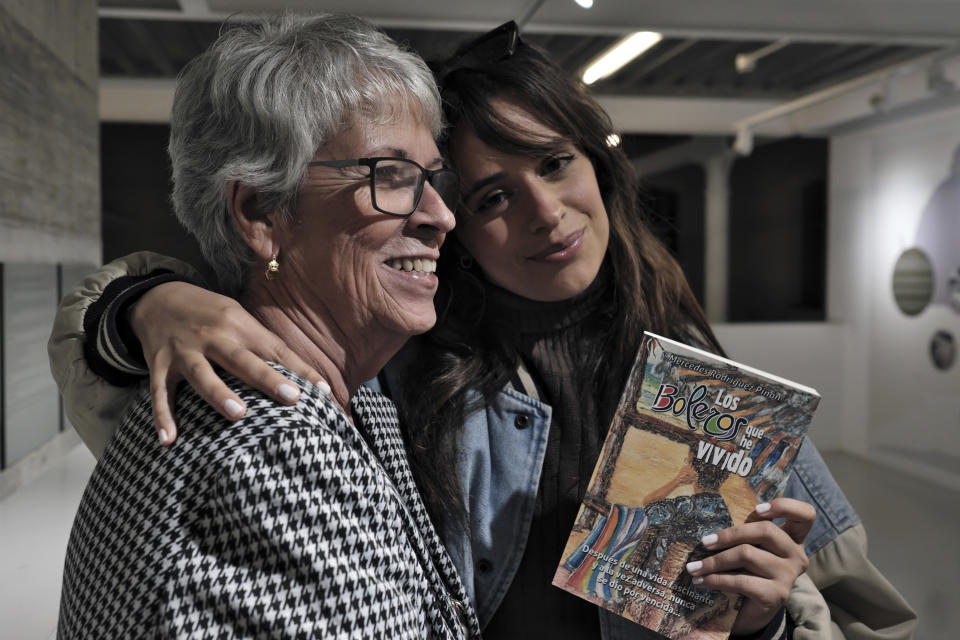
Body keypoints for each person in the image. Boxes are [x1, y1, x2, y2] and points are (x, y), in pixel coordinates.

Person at [50, 21, 916, 640]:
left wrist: (766, 620)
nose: (545, 213)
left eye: (555, 163)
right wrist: (140, 304)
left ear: (600, 166)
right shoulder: (402, 368)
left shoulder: (703, 385)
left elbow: (860, 609)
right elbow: (197, 393)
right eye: (490, 197)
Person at [54, 13, 479, 639]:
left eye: (431, 177)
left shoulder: (347, 401)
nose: (440, 215)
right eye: (391, 176)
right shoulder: (275, 450)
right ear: (261, 213)